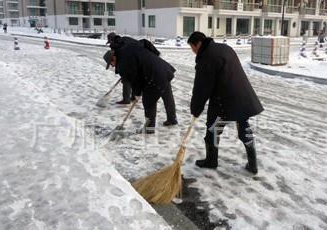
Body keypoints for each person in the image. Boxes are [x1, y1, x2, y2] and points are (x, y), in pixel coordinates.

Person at [187, 32, 264, 174]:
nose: (193, 51)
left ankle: (211, 161)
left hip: (223, 102)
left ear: (198, 43)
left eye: (192, 48)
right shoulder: (225, 48)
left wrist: (196, 109)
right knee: (244, 130)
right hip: (242, 96)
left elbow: (202, 88)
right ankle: (253, 165)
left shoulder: (206, 57)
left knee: (212, 132)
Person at [103, 42, 178, 132]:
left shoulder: (123, 63)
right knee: (167, 96)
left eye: (111, 64)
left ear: (113, 58)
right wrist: (154, 57)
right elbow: (145, 42)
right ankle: (172, 119)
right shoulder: (128, 46)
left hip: (154, 75)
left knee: (148, 102)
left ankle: (149, 129)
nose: (112, 66)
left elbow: (135, 80)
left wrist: (137, 94)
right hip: (163, 68)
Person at [106, 32, 160, 104]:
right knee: (134, 77)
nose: (110, 44)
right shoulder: (126, 38)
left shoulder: (116, 45)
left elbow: (120, 58)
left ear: (111, 40)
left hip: (134, 61)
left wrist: (123, 72)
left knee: (126, 79)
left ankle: (126, 99)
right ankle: (134, 96)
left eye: (110, 42)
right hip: (142, 58)